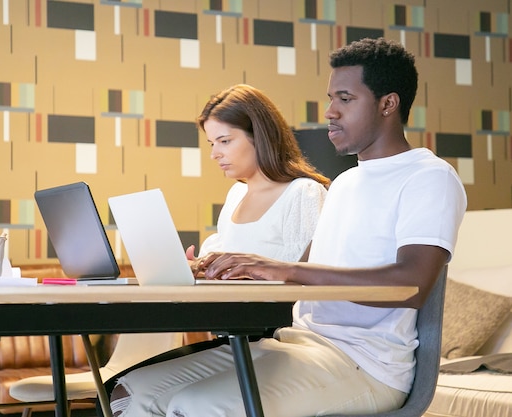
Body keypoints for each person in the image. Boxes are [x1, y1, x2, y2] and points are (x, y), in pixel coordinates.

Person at [109, 38, 467, 417]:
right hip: (297, 343)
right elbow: (303, 278)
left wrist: (284, 268)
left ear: (387, 104)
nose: (330, 111)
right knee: (130, 394)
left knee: (193, 406)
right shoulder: (346, 183)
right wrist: (230, 271)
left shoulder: (428, 177)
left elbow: (411, 285)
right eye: (331, 98)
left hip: (366, 365)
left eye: (345, 99)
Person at [186, 84, 330, 268]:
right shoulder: (236, 194)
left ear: (260, 135)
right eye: (211, 144)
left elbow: (305, 272)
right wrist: (199, 265)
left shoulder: (303, 193)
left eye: (224, 141)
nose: (214, 154)